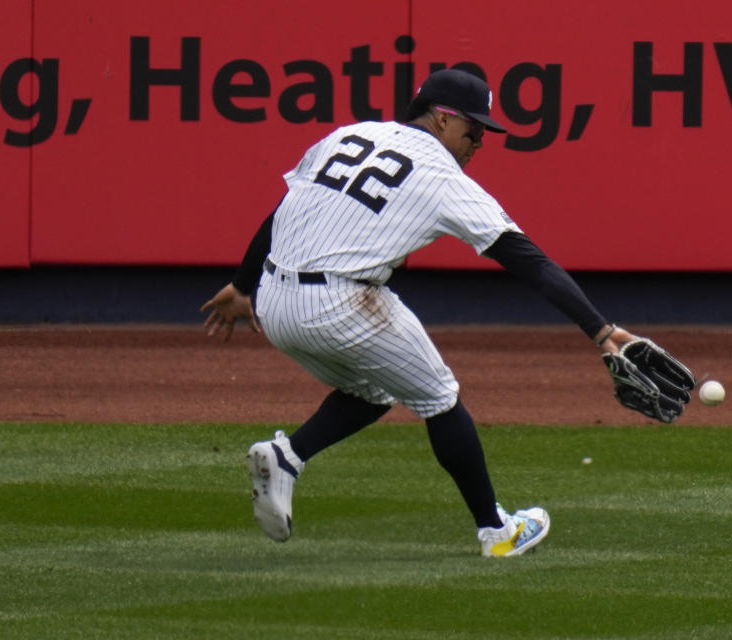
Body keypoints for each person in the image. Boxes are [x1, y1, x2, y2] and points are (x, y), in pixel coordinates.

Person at [201, 68, 637, 557]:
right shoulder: (442, 176)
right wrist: (600, 329)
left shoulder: (351, 133)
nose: (478, 141)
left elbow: (284, 210)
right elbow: (528, 261)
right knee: (438, 396)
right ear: (444, 119)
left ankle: (287, 457)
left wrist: (242, 285)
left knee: (378, 388)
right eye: (474, 129)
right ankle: (497, 531)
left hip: (274, 302)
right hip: (342, 304)